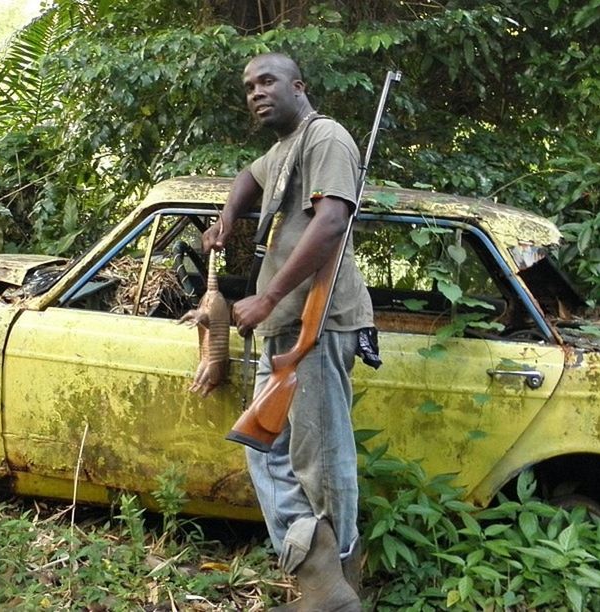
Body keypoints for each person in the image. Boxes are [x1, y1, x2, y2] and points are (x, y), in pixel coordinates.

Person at [202, 52, 373, 611]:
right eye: (249, 86)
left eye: (267, 81)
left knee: (322, 461)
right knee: (267, 450)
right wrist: (229, 215)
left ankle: (336, 582)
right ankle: (324, 577)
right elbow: (246, 178)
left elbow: (331, 220)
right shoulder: (282, 151)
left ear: (298, 86)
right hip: (285, 324)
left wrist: (270, 294)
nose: (256, 92)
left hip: (315, 322)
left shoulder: (326, 138)